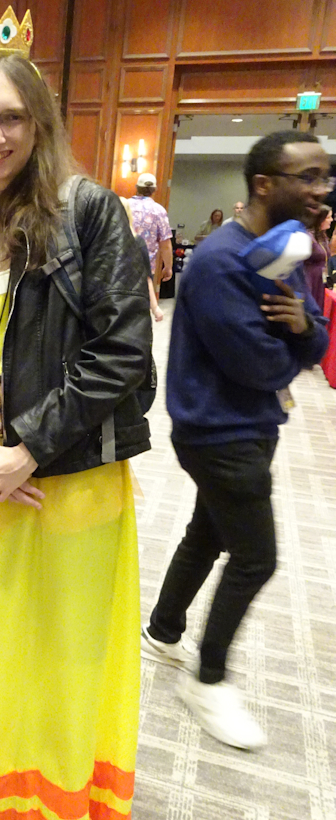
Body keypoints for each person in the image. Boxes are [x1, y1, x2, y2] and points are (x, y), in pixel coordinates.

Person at [0, 38, 152, 820]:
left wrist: (28, 445)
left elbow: (121, 352)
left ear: (41, 124)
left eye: (13, 118)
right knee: (3, 636)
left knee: (66, 650)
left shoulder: (89, 212)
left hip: (73, 477)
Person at [141, 131, 329, 751]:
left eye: (324, 176)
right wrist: (299, 340)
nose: (321, 189)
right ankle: (208, 680)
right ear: (265, 185)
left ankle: (162, 630)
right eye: (307, 177)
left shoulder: (283, 250)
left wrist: (302, 330)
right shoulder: (221, 261)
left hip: (249, 425)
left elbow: (315, 336)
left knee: (209, 532)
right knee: (257, 557)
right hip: (218, 433)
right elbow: (260, 365)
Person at [120, 195, 163, 321]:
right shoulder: (137, 242)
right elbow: (146, 277)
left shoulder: (99, 241)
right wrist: (155, 307)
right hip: (131, 300)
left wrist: (155, 307)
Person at [130, 171, 173, 289]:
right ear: (154, 190)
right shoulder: (158, 211)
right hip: (146, 267)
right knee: (143, 298)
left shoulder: (123, 205)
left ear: (136, 187)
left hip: (121, 264)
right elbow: (165, 244)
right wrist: (168, 267)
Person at [303, 204, 330, 311]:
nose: (331, 220)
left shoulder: (323, 236)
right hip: (311, 278)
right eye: (328, 217)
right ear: (321, 219)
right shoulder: (308, 236)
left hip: (320, 278)